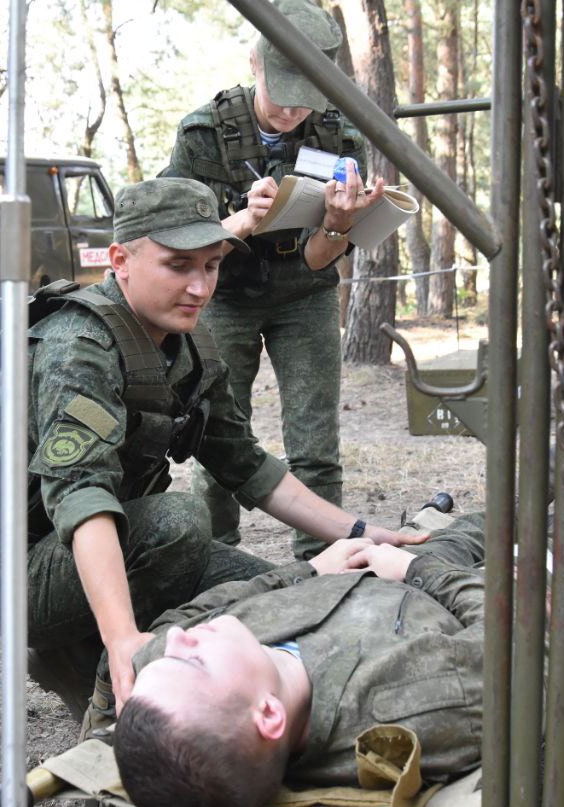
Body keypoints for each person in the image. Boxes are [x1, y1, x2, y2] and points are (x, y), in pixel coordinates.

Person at [0, 177, 425, 717]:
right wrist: (122, 641)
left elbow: (245, 464)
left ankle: (100, 645)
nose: (201, 287)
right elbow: (81, 498)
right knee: (180, 520)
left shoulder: (191, 343)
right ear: (121, 260)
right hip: (17, 572)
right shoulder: (76, 346)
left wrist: (365, 534)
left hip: (129, 544)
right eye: (178, 266)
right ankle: (91, 656)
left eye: (211, 265)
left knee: (290, 600)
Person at [111, 469, 564, 807]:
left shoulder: (183, 676)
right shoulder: (407, 704)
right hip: (459, 592)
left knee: (469, 528)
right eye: (193, 659)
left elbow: (172, 626)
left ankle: (530, 495)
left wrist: (312, 568)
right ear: (269, 715)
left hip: (369, 572)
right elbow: (523, 642)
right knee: (520, 554)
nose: (180, 641)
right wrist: (415, 570)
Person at [163, 0, 388, 561]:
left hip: (304, 298)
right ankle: (215, 561)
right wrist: (238, 220)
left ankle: (323, 559)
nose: (291, 109)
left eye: (305, 95)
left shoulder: (342, 143)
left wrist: (338, 224)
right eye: (281, 89)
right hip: (224, 298)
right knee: (216, 434)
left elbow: (317, 262)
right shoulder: (202, 135)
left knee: (315, 445)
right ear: (254, 63)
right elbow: (169, 236)